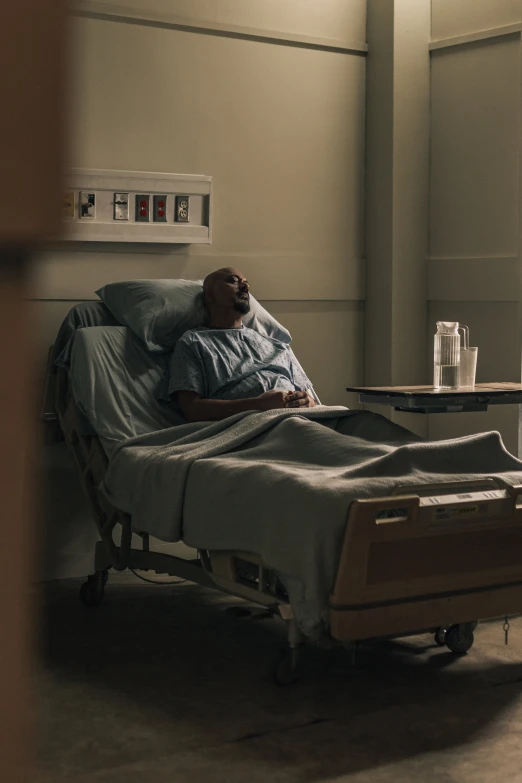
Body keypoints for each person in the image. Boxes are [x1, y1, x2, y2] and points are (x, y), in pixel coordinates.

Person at [169, 267, 318, 422]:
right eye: (233, 281)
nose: (245, 287)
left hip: (304, 419)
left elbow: (311, 399)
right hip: (256, 425)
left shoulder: (277, 345)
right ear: (209, 295)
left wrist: (308, 401)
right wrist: (258, 404)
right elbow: (192, 409)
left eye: (246, 283)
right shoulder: (193, 343)